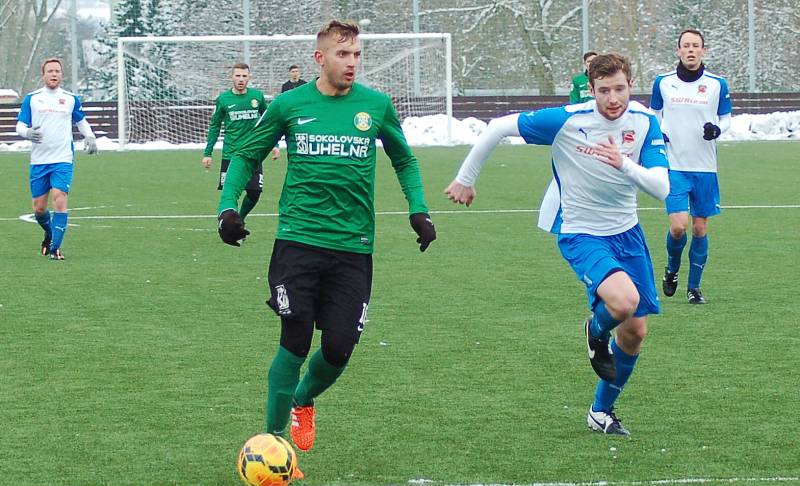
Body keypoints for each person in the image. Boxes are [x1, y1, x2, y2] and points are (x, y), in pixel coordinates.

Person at [216, 20, 436, 460]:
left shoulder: (375, 106)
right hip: (297, 241)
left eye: (356, 54)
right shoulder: (289, 104)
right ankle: (272, 445)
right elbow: (245, 154)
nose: (351, 62)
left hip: (353, 248)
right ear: (321, 58)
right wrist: (227, 207)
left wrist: (419, 209)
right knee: (294, 339)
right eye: (342, 54)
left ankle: (303, 399)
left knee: (338, 349)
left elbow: (404, 160)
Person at [445, 53, 669, 436]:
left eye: (619, 89)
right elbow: (498, 126)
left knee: (635, 332)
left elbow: (661, 187)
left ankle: (601, 412)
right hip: (582, 232)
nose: (612, 99)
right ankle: (595, 332)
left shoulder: (645, 122)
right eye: (603, 91)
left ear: (631, 85)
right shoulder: (569, 120)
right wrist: (466, 178)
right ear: (591, 89)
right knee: (623, 301)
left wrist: (624, 165)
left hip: (628, 233)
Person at [650, 29, 732, 304]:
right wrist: (659, 132)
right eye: (686, 46)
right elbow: (655, 116)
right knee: (678, 227)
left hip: (705, 167)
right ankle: (672, 269)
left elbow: (726, 117)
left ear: (703, 51)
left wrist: (717, 129)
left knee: (699, 229)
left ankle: (694, 288)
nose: (691, 50)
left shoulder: (717, 83)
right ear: (678, 50)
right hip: (674, 165)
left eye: (696, 46)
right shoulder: (662, 82)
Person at [15, 57, 97, 260]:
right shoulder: (32, 99)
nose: (54, 74)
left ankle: (55, 248)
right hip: (39, 161)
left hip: (63, 158)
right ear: (43, 75)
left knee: (60, 200)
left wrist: (90, 136)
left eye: (57, 71)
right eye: (50, 71)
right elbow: (20, 125)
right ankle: (50, 233)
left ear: (62, 75)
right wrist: (28, 133)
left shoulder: (70, 99)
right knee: (39, 208)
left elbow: (81, 121)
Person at [202, 63, 279, 223]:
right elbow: (215, 126)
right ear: (232, 77)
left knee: (254, 193)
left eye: (244, 76)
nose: (241, 79)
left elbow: (269, 121)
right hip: (231, 154)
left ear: (249, 77)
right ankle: (228, 224)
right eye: (238, 76)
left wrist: (275, 144)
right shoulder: (223, 99)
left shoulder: (257, 97)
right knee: (230, 194)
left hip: (253, 153)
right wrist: (208, 153)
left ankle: (240, 219)